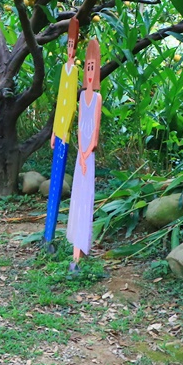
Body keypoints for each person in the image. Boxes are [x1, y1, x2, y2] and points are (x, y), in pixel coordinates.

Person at [43, 18, 79, 250]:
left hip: (65, 133)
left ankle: (50, 236)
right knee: (54, 182)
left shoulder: (74, 71)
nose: (69, 48)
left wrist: (64, 130)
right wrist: (55, 131)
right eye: (68, 44)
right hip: (59, 131)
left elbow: (71, 105)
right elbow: (60, 103)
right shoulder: (64, 70)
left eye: (72, 45)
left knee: (57, 184)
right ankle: (47, 236)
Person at [68, 38, 102, 270]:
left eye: (93, 68)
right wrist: (79, 150)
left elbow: (95, 133)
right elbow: (80, 125)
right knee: (77, 198)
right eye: (87, 68)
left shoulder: (97, 98)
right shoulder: (81, 97)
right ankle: (75, 250)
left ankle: (82, 247)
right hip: (81, 152)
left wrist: (87, 152)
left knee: (86, 197)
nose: (89, 72)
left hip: (88, 155)